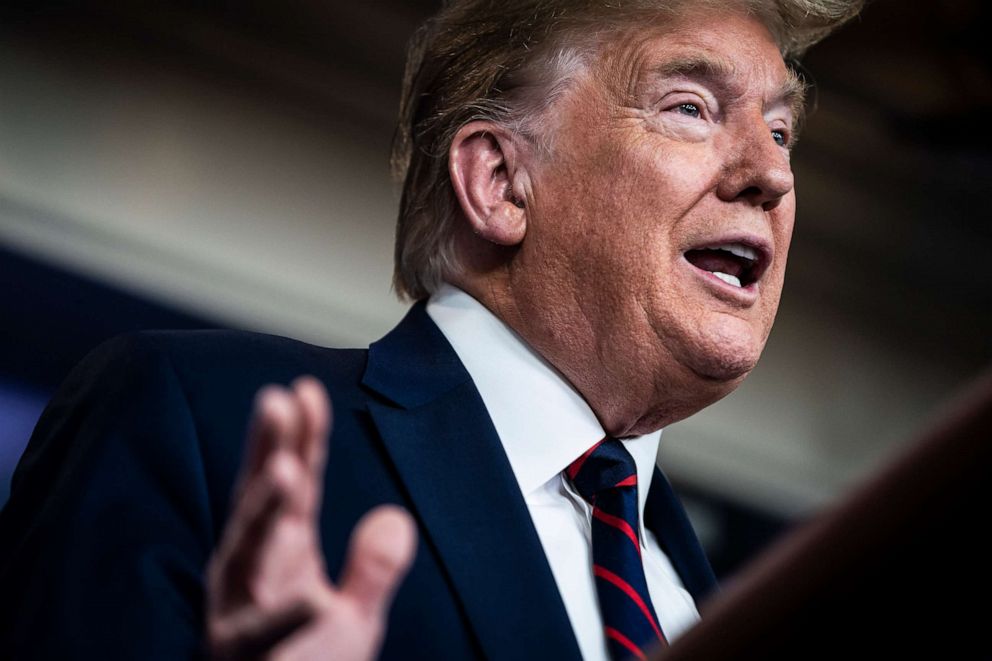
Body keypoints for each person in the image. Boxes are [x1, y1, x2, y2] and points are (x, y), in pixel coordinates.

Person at [0, 0, 863, 659]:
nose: (772, 174)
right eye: (690, 107)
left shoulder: (739, 607)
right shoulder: (196, 423)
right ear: (499, 181)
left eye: (781, 129)